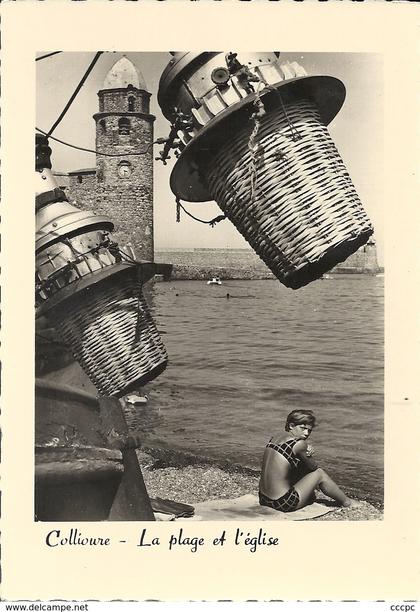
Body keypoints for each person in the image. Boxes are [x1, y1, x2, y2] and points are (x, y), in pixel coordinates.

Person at [259, 409, 357, 512]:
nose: (306, 433)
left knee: (296, 467)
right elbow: (313, 468)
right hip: (282, 503)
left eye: (309, 430)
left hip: (264, 499)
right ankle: (347, 502)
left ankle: (308, 496)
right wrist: (308, 453)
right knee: (320, 474)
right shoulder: (299, 443)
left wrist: (302, 454)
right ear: (291, 426)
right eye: (303, 428)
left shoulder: (275, 437)